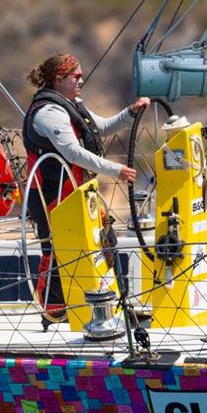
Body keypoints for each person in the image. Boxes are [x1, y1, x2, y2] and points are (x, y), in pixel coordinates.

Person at [22, 53, 149, 321]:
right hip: (52, 194)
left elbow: (100, 128)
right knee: (57, 249)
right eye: (76, 76)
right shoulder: (49, 112)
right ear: (59, 79)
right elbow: (72, 152)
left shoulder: (72, 104)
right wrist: (115, 169)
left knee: (104, 240)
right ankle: (53, 311)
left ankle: (111, 302)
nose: (82, 79)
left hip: (78, 191)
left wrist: (130, 113)